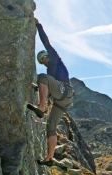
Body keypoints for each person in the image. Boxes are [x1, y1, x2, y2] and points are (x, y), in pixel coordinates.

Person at [28, 18, 73, 166]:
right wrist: (37, 88)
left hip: (65, 91)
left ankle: (41, 108)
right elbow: (48, 90)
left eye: (43, 58)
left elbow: (46, 42)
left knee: (42, 77)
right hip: (63, 100)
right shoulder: (51, 72)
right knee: (51, 127)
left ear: (47, 55)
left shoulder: (54, 58)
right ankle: (50, 158)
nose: (43, 61)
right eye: (41, 61)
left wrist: (38, 25)